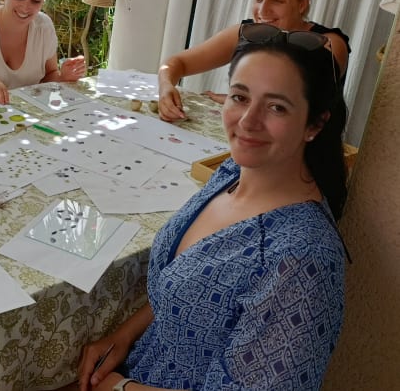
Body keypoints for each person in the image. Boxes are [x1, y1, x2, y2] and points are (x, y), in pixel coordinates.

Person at [77, 25, 349, 391]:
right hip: (138, 364)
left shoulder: (301, 260)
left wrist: (118, 388)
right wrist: (124, 335)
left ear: (314, 124)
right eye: (240, 97)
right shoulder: (233, 172)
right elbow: (190, 287)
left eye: (277, 107)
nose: (248, 121)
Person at [157, 0, 350, 122]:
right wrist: (166, 87)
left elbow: (297, 104)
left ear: (302, 4)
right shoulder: (246, 32)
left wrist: (235, 99)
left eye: (277, 0)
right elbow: (176, 63)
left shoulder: (328, 43)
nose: (263, 11)